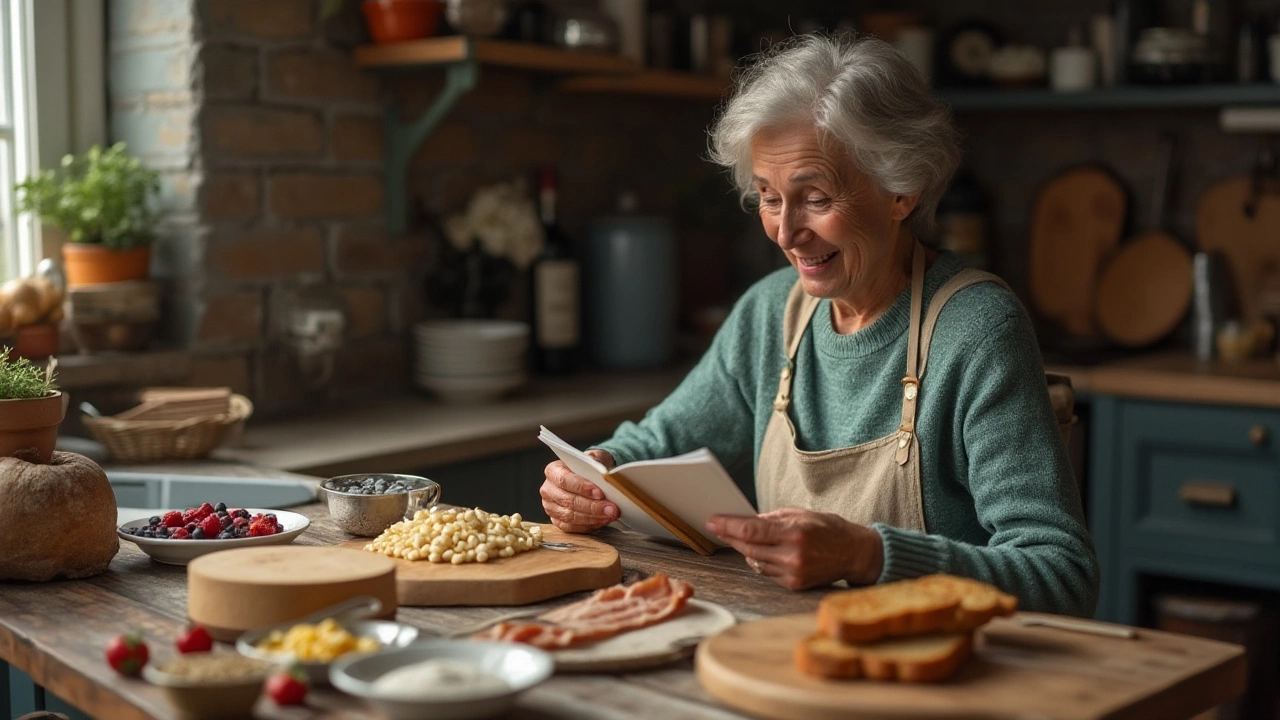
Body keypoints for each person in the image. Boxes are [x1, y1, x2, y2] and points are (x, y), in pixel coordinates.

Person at [539, 34, 1098, 617]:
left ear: (900, 189)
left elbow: (1063, 574)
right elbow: (653, 446)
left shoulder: (976, 330)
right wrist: (592, 474)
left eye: (816, 198)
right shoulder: (770, 313)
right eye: (768, 198)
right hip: (786, 652)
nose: (785, 233)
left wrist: (869, 556)